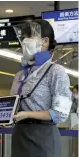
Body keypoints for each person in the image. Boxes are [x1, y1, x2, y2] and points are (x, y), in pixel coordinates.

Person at [11, 20, 72, 157]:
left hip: (43, 136)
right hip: (19, 135)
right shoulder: (20, 74)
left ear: (45, 41)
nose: (25, 41)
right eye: (23, 37)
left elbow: (60, 113)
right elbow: (12, 106)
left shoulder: (56, 71)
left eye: (29, 36)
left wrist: (27, 114)